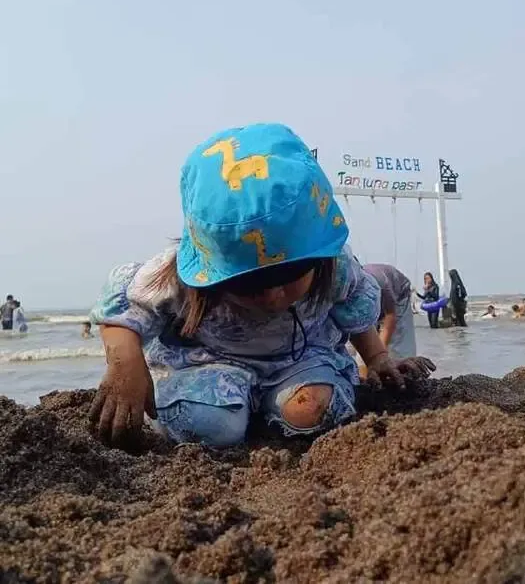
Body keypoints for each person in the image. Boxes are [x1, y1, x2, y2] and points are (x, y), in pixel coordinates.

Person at [87, 123, 435, 451]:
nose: (271, 296)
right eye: (249, 286)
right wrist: (125, 366)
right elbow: (125, 312)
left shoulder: (335, 267)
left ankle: (273, 415)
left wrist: (376, 358)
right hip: (211, 367)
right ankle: (231, 413)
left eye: (287, 281)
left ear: (318, 262)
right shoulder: (176, 276)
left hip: (299, 361)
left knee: (312, 410)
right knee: (211, 424)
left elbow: (353, 310)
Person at [363, 263, 417, 361]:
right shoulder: (346, 287)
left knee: (398, 347)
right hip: (370, 298)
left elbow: (390, 319)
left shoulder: (383, 284)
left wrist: (378, 357)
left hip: (399, 294)